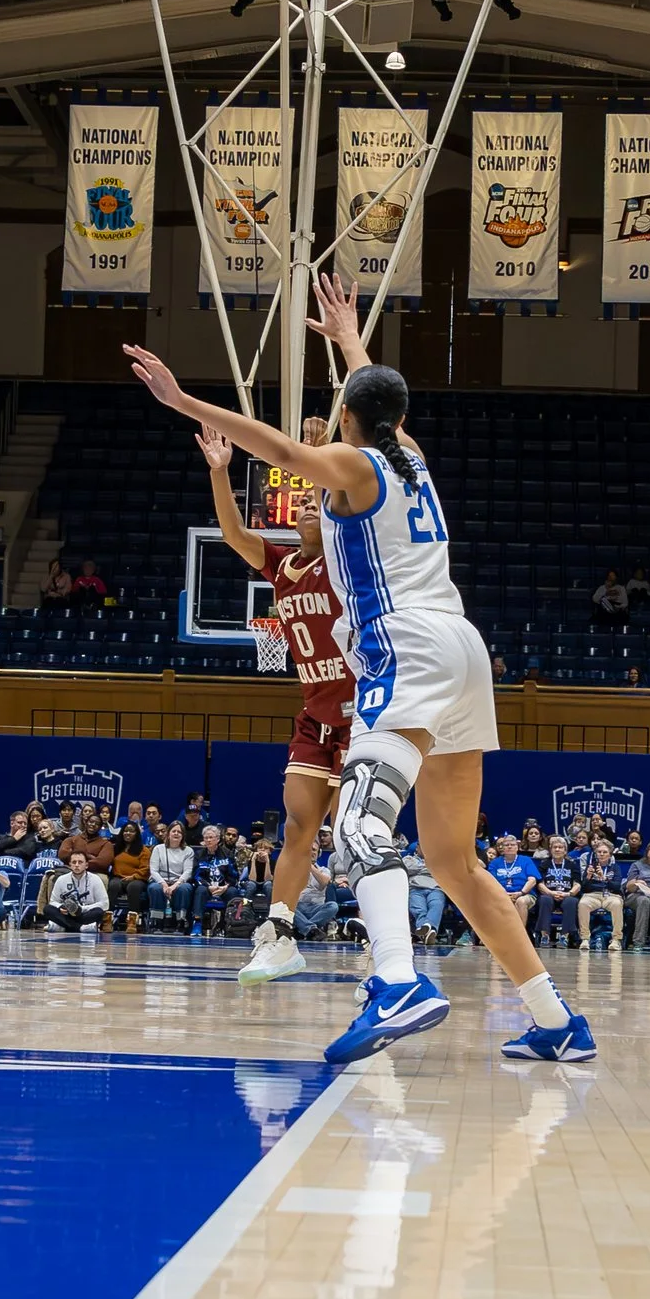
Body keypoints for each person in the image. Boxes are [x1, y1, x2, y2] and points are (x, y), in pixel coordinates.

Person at [126, 276, 592, 1063]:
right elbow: (381, 397)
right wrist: (348, 341)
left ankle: (400, 979)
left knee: (358, 823)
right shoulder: (410, 456)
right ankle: (556, 1022)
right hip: (462, 647)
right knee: (450, 858)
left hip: (405, 644)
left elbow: (276, 449)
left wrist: (185, 403)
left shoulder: (354, 461)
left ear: (347, 419)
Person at [193, 425, 353, 981]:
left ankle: (388, 946)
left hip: (365, 713)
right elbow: (233, 532)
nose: (310, 505)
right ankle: (279, 934)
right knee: (296, 828)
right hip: (315, 715)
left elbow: (348, 491)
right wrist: (220, 470)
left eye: (317, 499)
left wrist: (321, 446)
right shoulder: (283, 566)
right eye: (303, 502)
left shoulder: (351, 556)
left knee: (356, 839)